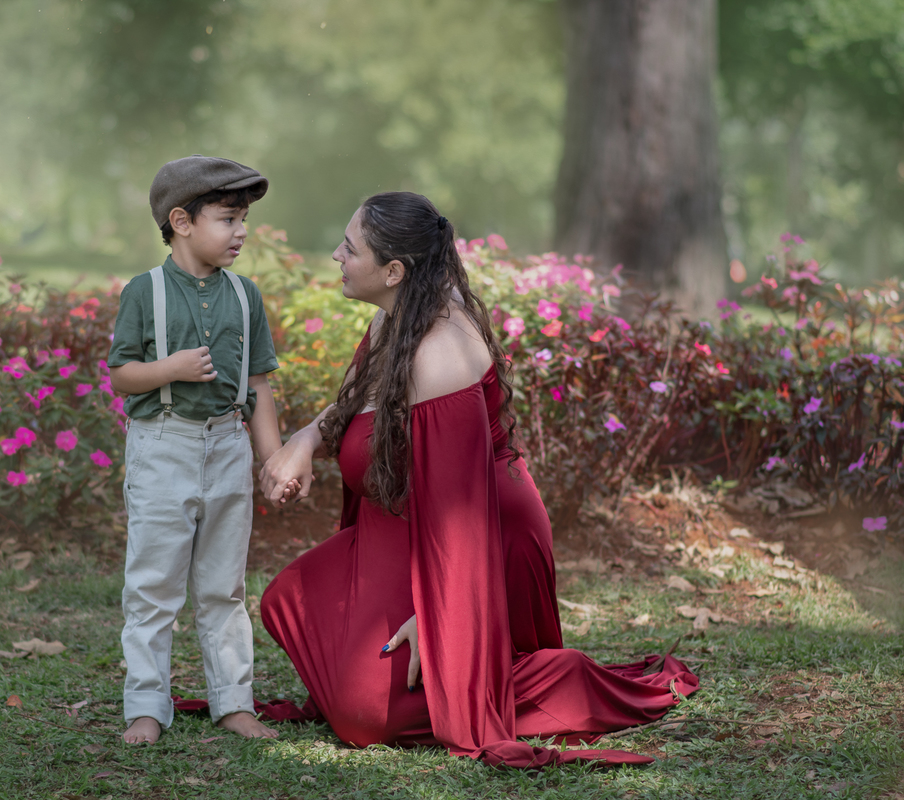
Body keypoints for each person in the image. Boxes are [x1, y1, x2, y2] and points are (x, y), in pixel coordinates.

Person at [257, 191, 699, 768]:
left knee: (366, 715)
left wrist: (435, 615)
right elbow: (358, 403)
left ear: (394, 270)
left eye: (350, 248)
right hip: (406, 518)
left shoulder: (441, 355)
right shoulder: (398, 314)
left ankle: (557, 680)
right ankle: (419, 672)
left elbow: (461, 513)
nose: (337, 256)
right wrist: (304, 440)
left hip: (480, 533)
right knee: (287, 602)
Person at [108, 155, 290, 744]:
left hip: (228, 448)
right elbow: (122, 376)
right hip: (163, 446)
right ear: (182, 221)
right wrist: (172, 368)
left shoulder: (245, 295)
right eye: (228, 219)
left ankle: (233, 702)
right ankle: (146, 705)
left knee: (223, 586)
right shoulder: (145, 291)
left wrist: (273, 459)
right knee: (154, 585)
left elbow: (258, 384)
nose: (241, 232)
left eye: (244, 221)